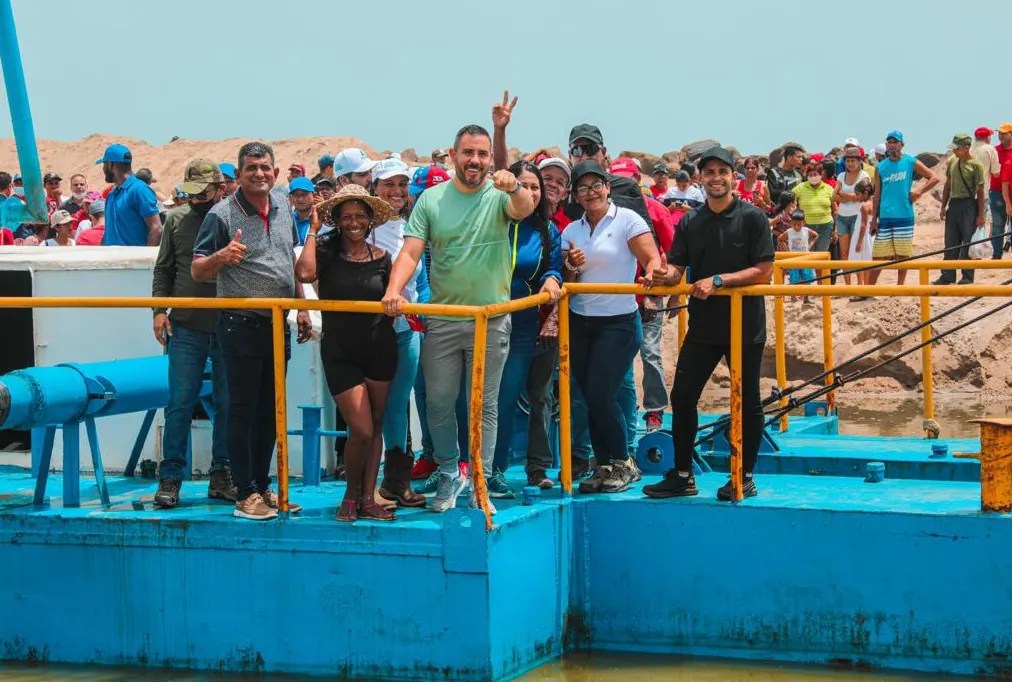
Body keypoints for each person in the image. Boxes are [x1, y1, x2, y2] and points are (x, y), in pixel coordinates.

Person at [382, 124, 535, 515]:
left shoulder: (499, 195)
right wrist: (394, 290)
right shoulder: (431, 200)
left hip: (490, 319)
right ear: (453, 156)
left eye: (482, 154)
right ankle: (450, 469)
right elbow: (411, 251)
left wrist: (514, 186)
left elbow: (524, 209)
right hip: (445, 318)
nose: (476, 161)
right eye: (468, 153)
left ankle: (479, 478)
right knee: (438, 402)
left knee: (483, 404)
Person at [643, 146, 775, 501]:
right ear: (699, 178)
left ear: (733, 176)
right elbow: (678, 270)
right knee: (683, 396)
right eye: (709, 172)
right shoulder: (690, 221)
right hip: (703, 327)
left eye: (723, 171)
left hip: (744, 326)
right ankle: (683, 475)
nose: (716, 178)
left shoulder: (752, 218)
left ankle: (743, 476)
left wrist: (720, 280)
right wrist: (661, 276)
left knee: (748, 401)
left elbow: (764, 271)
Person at [192, 141, 312, 521]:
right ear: (238, 175)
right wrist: (221, 257)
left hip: (278, 323)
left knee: (270, 411)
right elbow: (197, 270)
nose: (259, 173)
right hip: (240, 324)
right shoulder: (221, 214)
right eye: (251, 168)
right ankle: (245, 493)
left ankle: (263, 487)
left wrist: (302, 307)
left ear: (275, 173)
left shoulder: (282, 208)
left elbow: (287, 262)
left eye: (265, 167)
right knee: (242, 410)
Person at [296, 185, 399, 522]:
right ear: (337, 222)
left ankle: (369, 498)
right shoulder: (325, 251)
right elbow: (305, 274)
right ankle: (351, 494)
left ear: (370, 221)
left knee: (377, 425)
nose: (354, 222)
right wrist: (313, 229)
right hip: (340, 351)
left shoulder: (383, 258)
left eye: (360, 216)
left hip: (380, 348)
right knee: (362, 429)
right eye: (347, 217)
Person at [562, 160, 661, 495]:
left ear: (607, 187)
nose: (590, 193)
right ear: (575, 195)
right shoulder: (571, 231)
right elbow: (567, 279)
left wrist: (650, 273)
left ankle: (623, 461)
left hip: (617, 321)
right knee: (590, 395)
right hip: (580, 319)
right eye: (582, 188)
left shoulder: (627, 220)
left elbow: (651, 257)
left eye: (596, 186)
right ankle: (603, 463)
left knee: (601, 391)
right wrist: (571, 268)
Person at [151, 159, 235, 508]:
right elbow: (164, 269)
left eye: (204, 193)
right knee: (179, 404)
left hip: (229, 325)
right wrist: (158, 311)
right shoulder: (176, 220)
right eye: (193, 193)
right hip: (185, 326)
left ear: (220, 188)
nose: (199, 200)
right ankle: (170, 478)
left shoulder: (233, 218)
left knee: (229, 404)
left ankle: (222, 474)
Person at [489, 160, 562, 495]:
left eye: (536, 187)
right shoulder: (495, 222)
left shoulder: (548, 231)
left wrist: (552, 279)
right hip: (489, 318)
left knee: (538, 397)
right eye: (525, 186)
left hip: (527, 323)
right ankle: (492, 468)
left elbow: (554, 267)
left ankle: (536, 467)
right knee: (499, 398)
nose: (531, 193)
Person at [362, 159, 427, 510]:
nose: (396, 191)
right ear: (374, 188)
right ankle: (365, 485)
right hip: (370, 335)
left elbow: (423, 282)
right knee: (372, 410)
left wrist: (427, 320)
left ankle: (396, 482)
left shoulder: (411, 228)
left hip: (406, 333)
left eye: (402, 184)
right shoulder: (356, 227)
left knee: (398, 408)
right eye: (389, 184)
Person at [609, 157, 675, 433]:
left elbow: (675, 253)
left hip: (648, 295)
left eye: (629, 180)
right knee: (615, 359)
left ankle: (654, 411)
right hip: (614, 298)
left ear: (638, 181)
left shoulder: (655, 210)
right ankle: (621, 411)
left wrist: (672, 293)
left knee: (650, 353)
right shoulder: (603, 213)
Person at [867, 131, 940, 286]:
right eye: (889, 142)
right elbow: (877, 195)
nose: (892, 145)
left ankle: (900, 287)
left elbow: (934, 177)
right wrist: (874, 219)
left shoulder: (910, 162)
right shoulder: (880, 167)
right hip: (885, 216)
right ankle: (868, 289)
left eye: (895, 142)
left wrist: (919, 191)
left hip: (904, 215)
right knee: (879, 255)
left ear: (902, 144)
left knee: (903, 254)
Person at [563, 123, 652, 227]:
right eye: (577, 150)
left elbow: (647, 234)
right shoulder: (562, 194)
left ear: (603, 152)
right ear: (570, 156)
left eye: (591, 149)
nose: (584, 156)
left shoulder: (627, 187)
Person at [936, 134, 986, 285]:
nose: (955, 152)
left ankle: (967, 276)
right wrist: (943, 206)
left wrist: (980, 214)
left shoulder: (976, 165)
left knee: (968, 242)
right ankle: (947, 276)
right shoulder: (952, 162)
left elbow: (980, 191)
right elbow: (947, 185)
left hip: (969, 205)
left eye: (957, 149)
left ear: (966, 148)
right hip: (954, 204)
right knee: (950, 242)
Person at [97, 143, 162, 246]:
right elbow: (108, 233)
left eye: (104, 164)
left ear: (110, 165)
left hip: (133, 261)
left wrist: (144, 260)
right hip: (112, 261)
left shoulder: (139, 190)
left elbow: (157, 229)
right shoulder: (111, 194)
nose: (103, 169)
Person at [832, 147, 871, 283]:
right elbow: (833, 196)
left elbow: (862, 197)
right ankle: (847, 285)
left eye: (853, 160)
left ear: (859, 161)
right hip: (842, 217)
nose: (850, 163)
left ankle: (860, 283)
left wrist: (843, 195)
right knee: (844, 253)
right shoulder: (842, 175)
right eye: (848, 161)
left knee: (857, 252)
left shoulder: (864, 175)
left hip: (857, 216)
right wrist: (851, 196)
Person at [791, 161, 836, 253]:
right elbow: (790, 200)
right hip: (806, 226)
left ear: (821, 174)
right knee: (807, 254)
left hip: (826, 226)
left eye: (815, 174)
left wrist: (835, 230)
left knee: (821, 254)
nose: (813, 177)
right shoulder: (800, 187)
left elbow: (835, 210)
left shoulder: (829, 189)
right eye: (810, 175)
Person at [778, 209, 818, 303]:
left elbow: (816, 235)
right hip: (794, 258)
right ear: (791, 222)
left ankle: (806, 297)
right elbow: (780, 239)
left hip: (805, 258)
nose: (796, 227)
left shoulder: (806, 230)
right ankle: (793, 297)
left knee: (807, 277)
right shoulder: (789, 231)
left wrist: (810, 245)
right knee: (794, 277)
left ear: (804, 222)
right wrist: (787, 250)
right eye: (794, 224)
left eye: (799, 224)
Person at [847, 179, 875, 294]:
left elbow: (863, 225)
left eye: (858, 194)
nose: (856, 197)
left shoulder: (864, 206)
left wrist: (858, 242)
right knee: (867, 261)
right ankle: (866, 287)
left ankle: (863, 288)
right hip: (869, 236)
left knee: (862, 261)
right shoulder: (873, 203)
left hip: (862, 236)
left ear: (865, 193)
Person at [988, 123, 1012, 258]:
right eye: (999, 133)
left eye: (1004, 133)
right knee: (998, 225)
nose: (1000, 135)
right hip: (997, 192)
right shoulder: (993, 151)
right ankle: (997, 255)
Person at [288, 177, 316, 244]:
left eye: (304, 194)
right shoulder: (288, 221)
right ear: (291, 198)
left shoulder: (320, 220)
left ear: (314, 195)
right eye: (296, 195)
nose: (300, 199)